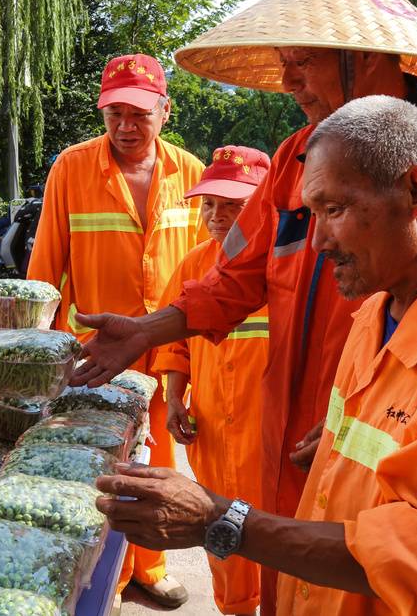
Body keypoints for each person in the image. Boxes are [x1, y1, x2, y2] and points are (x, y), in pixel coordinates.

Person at [71, 0, 417, 613]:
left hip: (410, 457)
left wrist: (367, 423)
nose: (286, 77)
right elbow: (235, 276)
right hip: (294, 441)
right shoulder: (296, 155)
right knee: (291, 587)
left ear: (367, 56)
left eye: (301, 59)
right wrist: (148, 330)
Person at [95, 96, 417, 615]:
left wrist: (220, 519)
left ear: (416, 191)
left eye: (335, 210)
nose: (317, 241)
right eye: (311, 213)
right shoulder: (376, 313)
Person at [27, 53, 205, 607]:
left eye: (140, 114)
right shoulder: (73, 168)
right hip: (97, 355)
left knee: (158, 465)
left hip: (167, 349)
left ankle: (147, 566)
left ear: (165, 112)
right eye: (115, 114)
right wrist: (41, 351)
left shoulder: (193, 174)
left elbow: (213, 267)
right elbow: (46, 265)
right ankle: (96, 570)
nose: (126, 127)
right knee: (95, 463)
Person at [155, 145, 271, 616]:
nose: (217, 216)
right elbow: (175, 342)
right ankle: (234, 608)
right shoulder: (193, 265)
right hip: (213, 435)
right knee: (220, 531)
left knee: (272, 535)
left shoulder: (288, 272)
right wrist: (174, 395)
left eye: (233, 205)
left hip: (268, 436)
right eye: (210, 204)